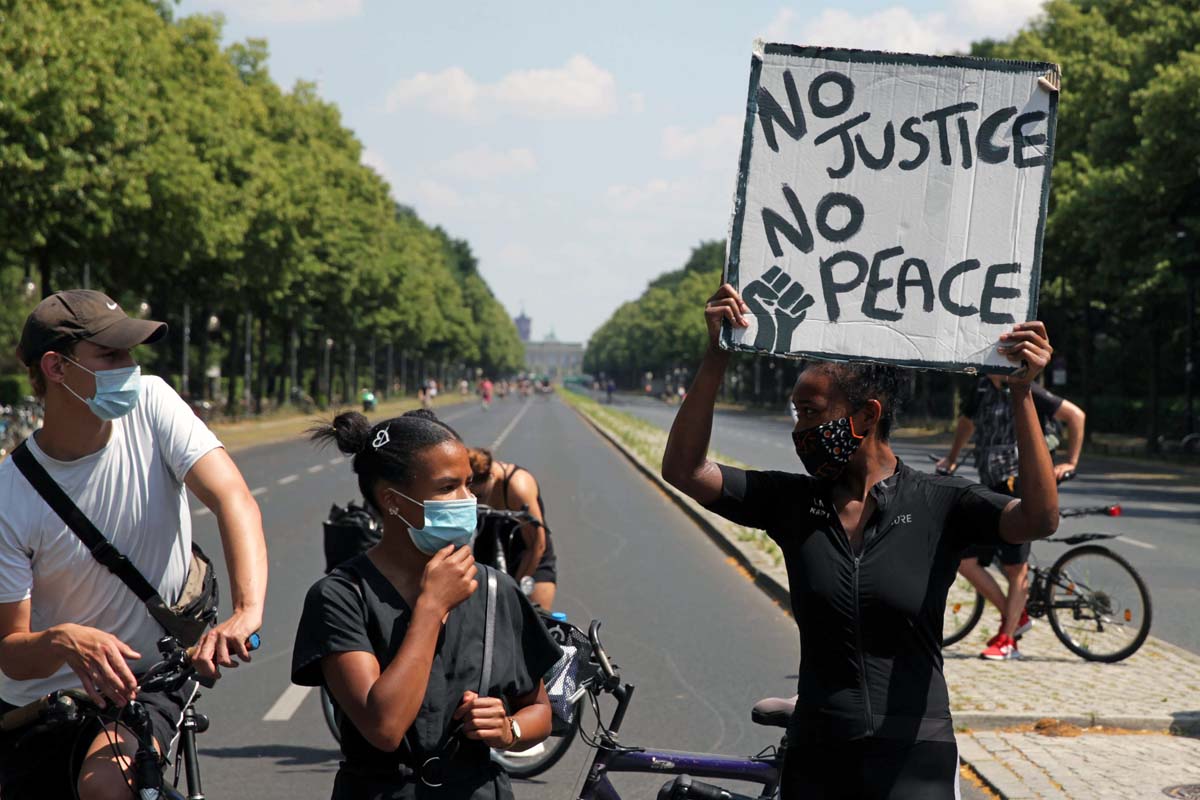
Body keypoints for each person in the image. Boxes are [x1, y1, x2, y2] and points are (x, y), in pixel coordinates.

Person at [661, 284, 1059, 800]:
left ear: (867, 416)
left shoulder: (942, 503)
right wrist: (717, 354)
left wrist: (1021, 391)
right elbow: (684, 470)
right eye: (796, 414)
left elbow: (1040, 518)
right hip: (819, 753)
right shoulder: (792, 502)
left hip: (915, 756)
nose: (798, 429)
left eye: (810, 412)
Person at [0, 290, 268, 800]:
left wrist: (247, 610)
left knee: (107, 787)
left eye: (130, 353)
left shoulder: (152, 402)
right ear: (57, 368)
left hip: (146, 680)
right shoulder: (8, 497)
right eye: (111, 355)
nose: (131, 367)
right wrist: (62, 640)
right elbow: (11, 653)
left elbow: (235, 498)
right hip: (37, 702)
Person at [293, 412, 560, 799]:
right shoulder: (340, 596)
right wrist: (432, 607)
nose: (467, 500)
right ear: (392, 501)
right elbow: (384, 727)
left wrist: (509, 730)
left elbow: (538, 709)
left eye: (469, 484)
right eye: (447, 487)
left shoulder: (494, 589)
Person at [937, 375, 1086, 660]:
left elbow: (1075, 415)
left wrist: (1071, 462)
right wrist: (952, 458)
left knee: (1015, 567)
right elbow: (967, 424)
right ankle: (1015, 617)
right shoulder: (981, 388)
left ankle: (1008, 641)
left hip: (1021, 488)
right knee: (966, 561)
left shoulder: (1026, 389)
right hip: (990, 488)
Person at [467, 447, 557, 610]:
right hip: (489, 548)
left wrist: (516, 587)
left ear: (492, 477)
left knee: (537, 620)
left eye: (479, 495)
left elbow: (538, 544)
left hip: (529, 554)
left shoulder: (518, 486)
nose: (474, 500)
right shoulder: (470, 484)